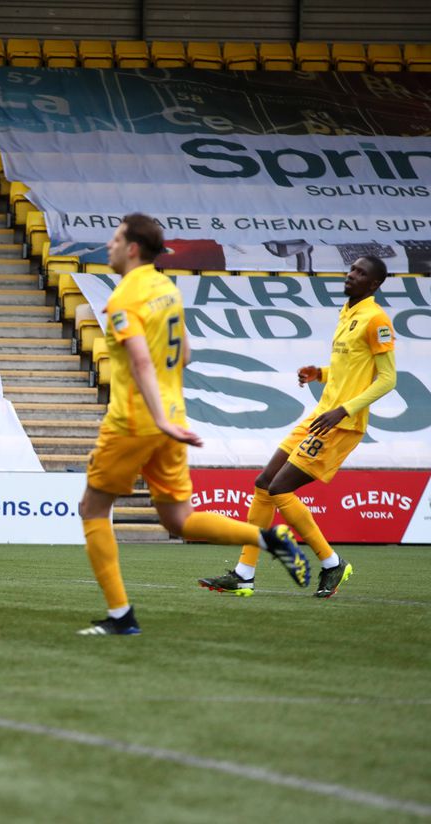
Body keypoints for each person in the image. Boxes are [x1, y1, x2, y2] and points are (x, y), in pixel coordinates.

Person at [77, 214, 310, 636]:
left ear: (131, 249)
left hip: (135, 420)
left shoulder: (122, 299)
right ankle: (270, 540)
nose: (108, 246)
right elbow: (184, 353)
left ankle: (120, 617)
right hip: (174, 415)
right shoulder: (167, 289)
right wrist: (167, 415)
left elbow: (142, 360)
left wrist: (157, 417)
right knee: (178, 519)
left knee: (93, 509)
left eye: (114, 239)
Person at [199, 256, 396, 599]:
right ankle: (244, 574)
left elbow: (388, 380)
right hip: (320, 414)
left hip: (341, 423)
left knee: (279, 489)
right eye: (352, 269)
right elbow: (352, 370)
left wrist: (343, 410)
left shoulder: (376, 319)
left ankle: (331, 561)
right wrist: (319, 373)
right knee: (263, 484)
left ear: (374, 284)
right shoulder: (347, 313)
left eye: (361, 273)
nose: (352, 275)